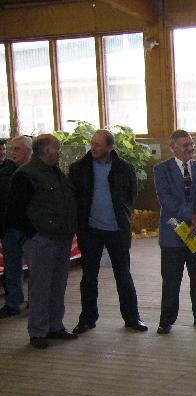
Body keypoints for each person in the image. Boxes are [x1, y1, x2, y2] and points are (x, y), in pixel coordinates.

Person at [69, 129, 146, 334]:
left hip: (117, 230)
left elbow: (131, 195)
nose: (93, 148)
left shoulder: (125, 168)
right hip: (90, 231)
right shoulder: (78, 168)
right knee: (89, 277)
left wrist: (121, 214)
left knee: (123, 275)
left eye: (98, 145)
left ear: (110, 147)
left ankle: (132, 318)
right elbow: (75, 198)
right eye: (92, 143)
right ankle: (87, 319)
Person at [5, 135, 77, 349]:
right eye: (57, 149)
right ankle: (37, 331)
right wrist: (35, 235)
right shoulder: (25, 175)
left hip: (61, 237)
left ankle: (55, 326)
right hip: (41, 240)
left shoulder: (55, 172)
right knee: (40, 287)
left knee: (58, 285)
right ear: (46, 152)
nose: (60, 153)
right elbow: (16, 212)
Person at [154, 129, 196, 334]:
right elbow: (166, 200)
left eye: (191, 144)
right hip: (173, 235)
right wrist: (191, 216)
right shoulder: (161, 170)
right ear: (173, 148)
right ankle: (166, 319)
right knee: (171, 279)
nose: (190, 148)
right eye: (185, 145)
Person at [0, 136, 32, 319]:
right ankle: (13, 302)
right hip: (10, 227)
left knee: (36, 267)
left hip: (31, 229)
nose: (12, 153)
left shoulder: (37, 171)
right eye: (11, 149)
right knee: (12, 268)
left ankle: (35, 301)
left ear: (29, 150)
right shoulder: (6, 172)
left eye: (17, 149)